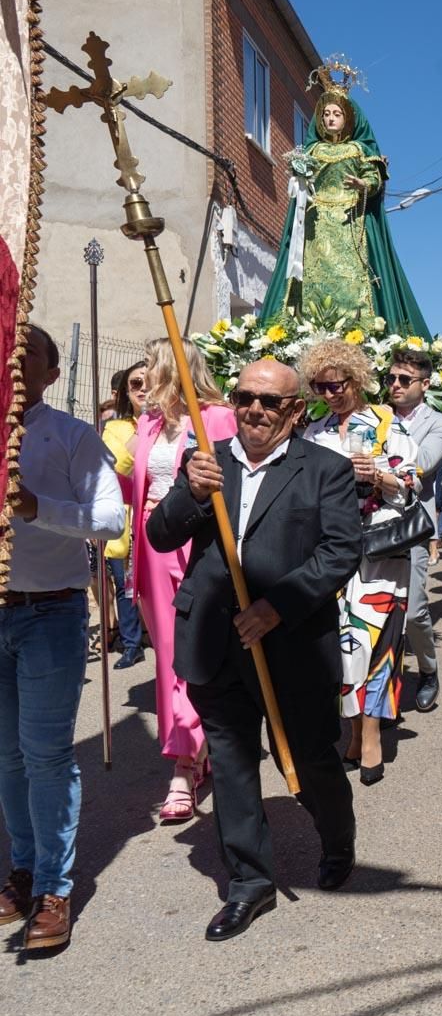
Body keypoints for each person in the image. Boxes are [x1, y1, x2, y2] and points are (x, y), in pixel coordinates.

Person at [147, 358, 362, 941]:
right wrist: (191, 492)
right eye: (246, 398)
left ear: (295, 410)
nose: (255, 411)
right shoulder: (208, 460)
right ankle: (249, 882)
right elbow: (161, 535)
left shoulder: (326, 469)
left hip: (291, 643)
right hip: (216, 640)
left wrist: (277, 606)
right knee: (236, 766)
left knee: (312, 758)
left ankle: (337, 839)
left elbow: (341, 552)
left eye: (270, 402)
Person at [0, 325, 123, 951]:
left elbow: (109, 520)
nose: (16, 371)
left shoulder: (75, 437)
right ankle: (21, 872)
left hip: (49, 613)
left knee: (45, 757)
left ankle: (54, 888)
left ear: (50, 375)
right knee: (6, 757)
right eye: (8, 358)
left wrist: (33, 506)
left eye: (31, 362)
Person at [126, 337, 239, 822]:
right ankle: (194, 751)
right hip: (152, 544)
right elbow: (138, 488)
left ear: (172, 367)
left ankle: (181, 766)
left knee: (191, 653)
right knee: (168, 656)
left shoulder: (215, 418)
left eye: (151, 364)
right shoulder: (148, 422)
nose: (144, 374)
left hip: (196, 544)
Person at [301, 340, 419, 785]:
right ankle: (353, 732)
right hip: (331, 552)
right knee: (344, 644)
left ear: (356, 380)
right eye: (320, 386)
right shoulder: (316, 432)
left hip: (381, 552)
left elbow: (412, 486)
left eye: (336, 385)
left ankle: (371, 737)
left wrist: (379, 476)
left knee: (378, 643)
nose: (329, 394)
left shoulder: (387, 424)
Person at [259, 58, 431, 338]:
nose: (330, 118)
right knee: (312, 277)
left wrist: (365, 183)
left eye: (336, 113)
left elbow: (374, 177)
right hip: (316, 225)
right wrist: (299, 173)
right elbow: (303, 181)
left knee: (351, 280)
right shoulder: (312, 151)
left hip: (350, 223)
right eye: (325, 113)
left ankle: (358, 328)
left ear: (347, 117)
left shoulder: (358, 150)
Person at [388, 348, 442, 713]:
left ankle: (428, 669)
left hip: (412, 526)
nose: (395, 385)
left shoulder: (440, 423)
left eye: (404, 380)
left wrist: (376, 453)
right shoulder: (374, 415)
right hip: (372, 524)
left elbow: (421, 465)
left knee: (412, 611)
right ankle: (385, 688)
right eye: (392, 378)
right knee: (379, 611)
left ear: (424, 385)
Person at [100, 360, 149, 669]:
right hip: (127, 518)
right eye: (136, 384)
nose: (144, 389)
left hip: (164, 518)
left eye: (151, 382)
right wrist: (148, 428)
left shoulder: (180, 423)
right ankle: (132, 643)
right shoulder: (115, 428)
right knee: (125, 585)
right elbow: (120, 465)